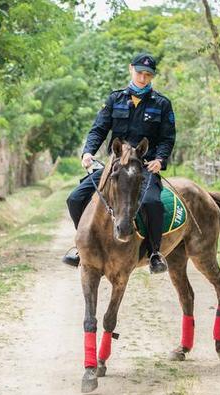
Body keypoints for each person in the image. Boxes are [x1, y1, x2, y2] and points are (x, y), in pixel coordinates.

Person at [63, 52, 176, 274]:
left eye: (148, 74)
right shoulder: (115, 99)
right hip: (115, 166)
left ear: (152, 76)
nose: (143, 78)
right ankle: (81, 247)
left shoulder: (161, 103)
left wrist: (160, 160)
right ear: (130, 69)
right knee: (75, 198)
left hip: (143, 168)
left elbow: (167, 138)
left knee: (153, 203)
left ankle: (154, 253)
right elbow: (99, 128)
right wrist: (88, 152)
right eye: (139, 73)